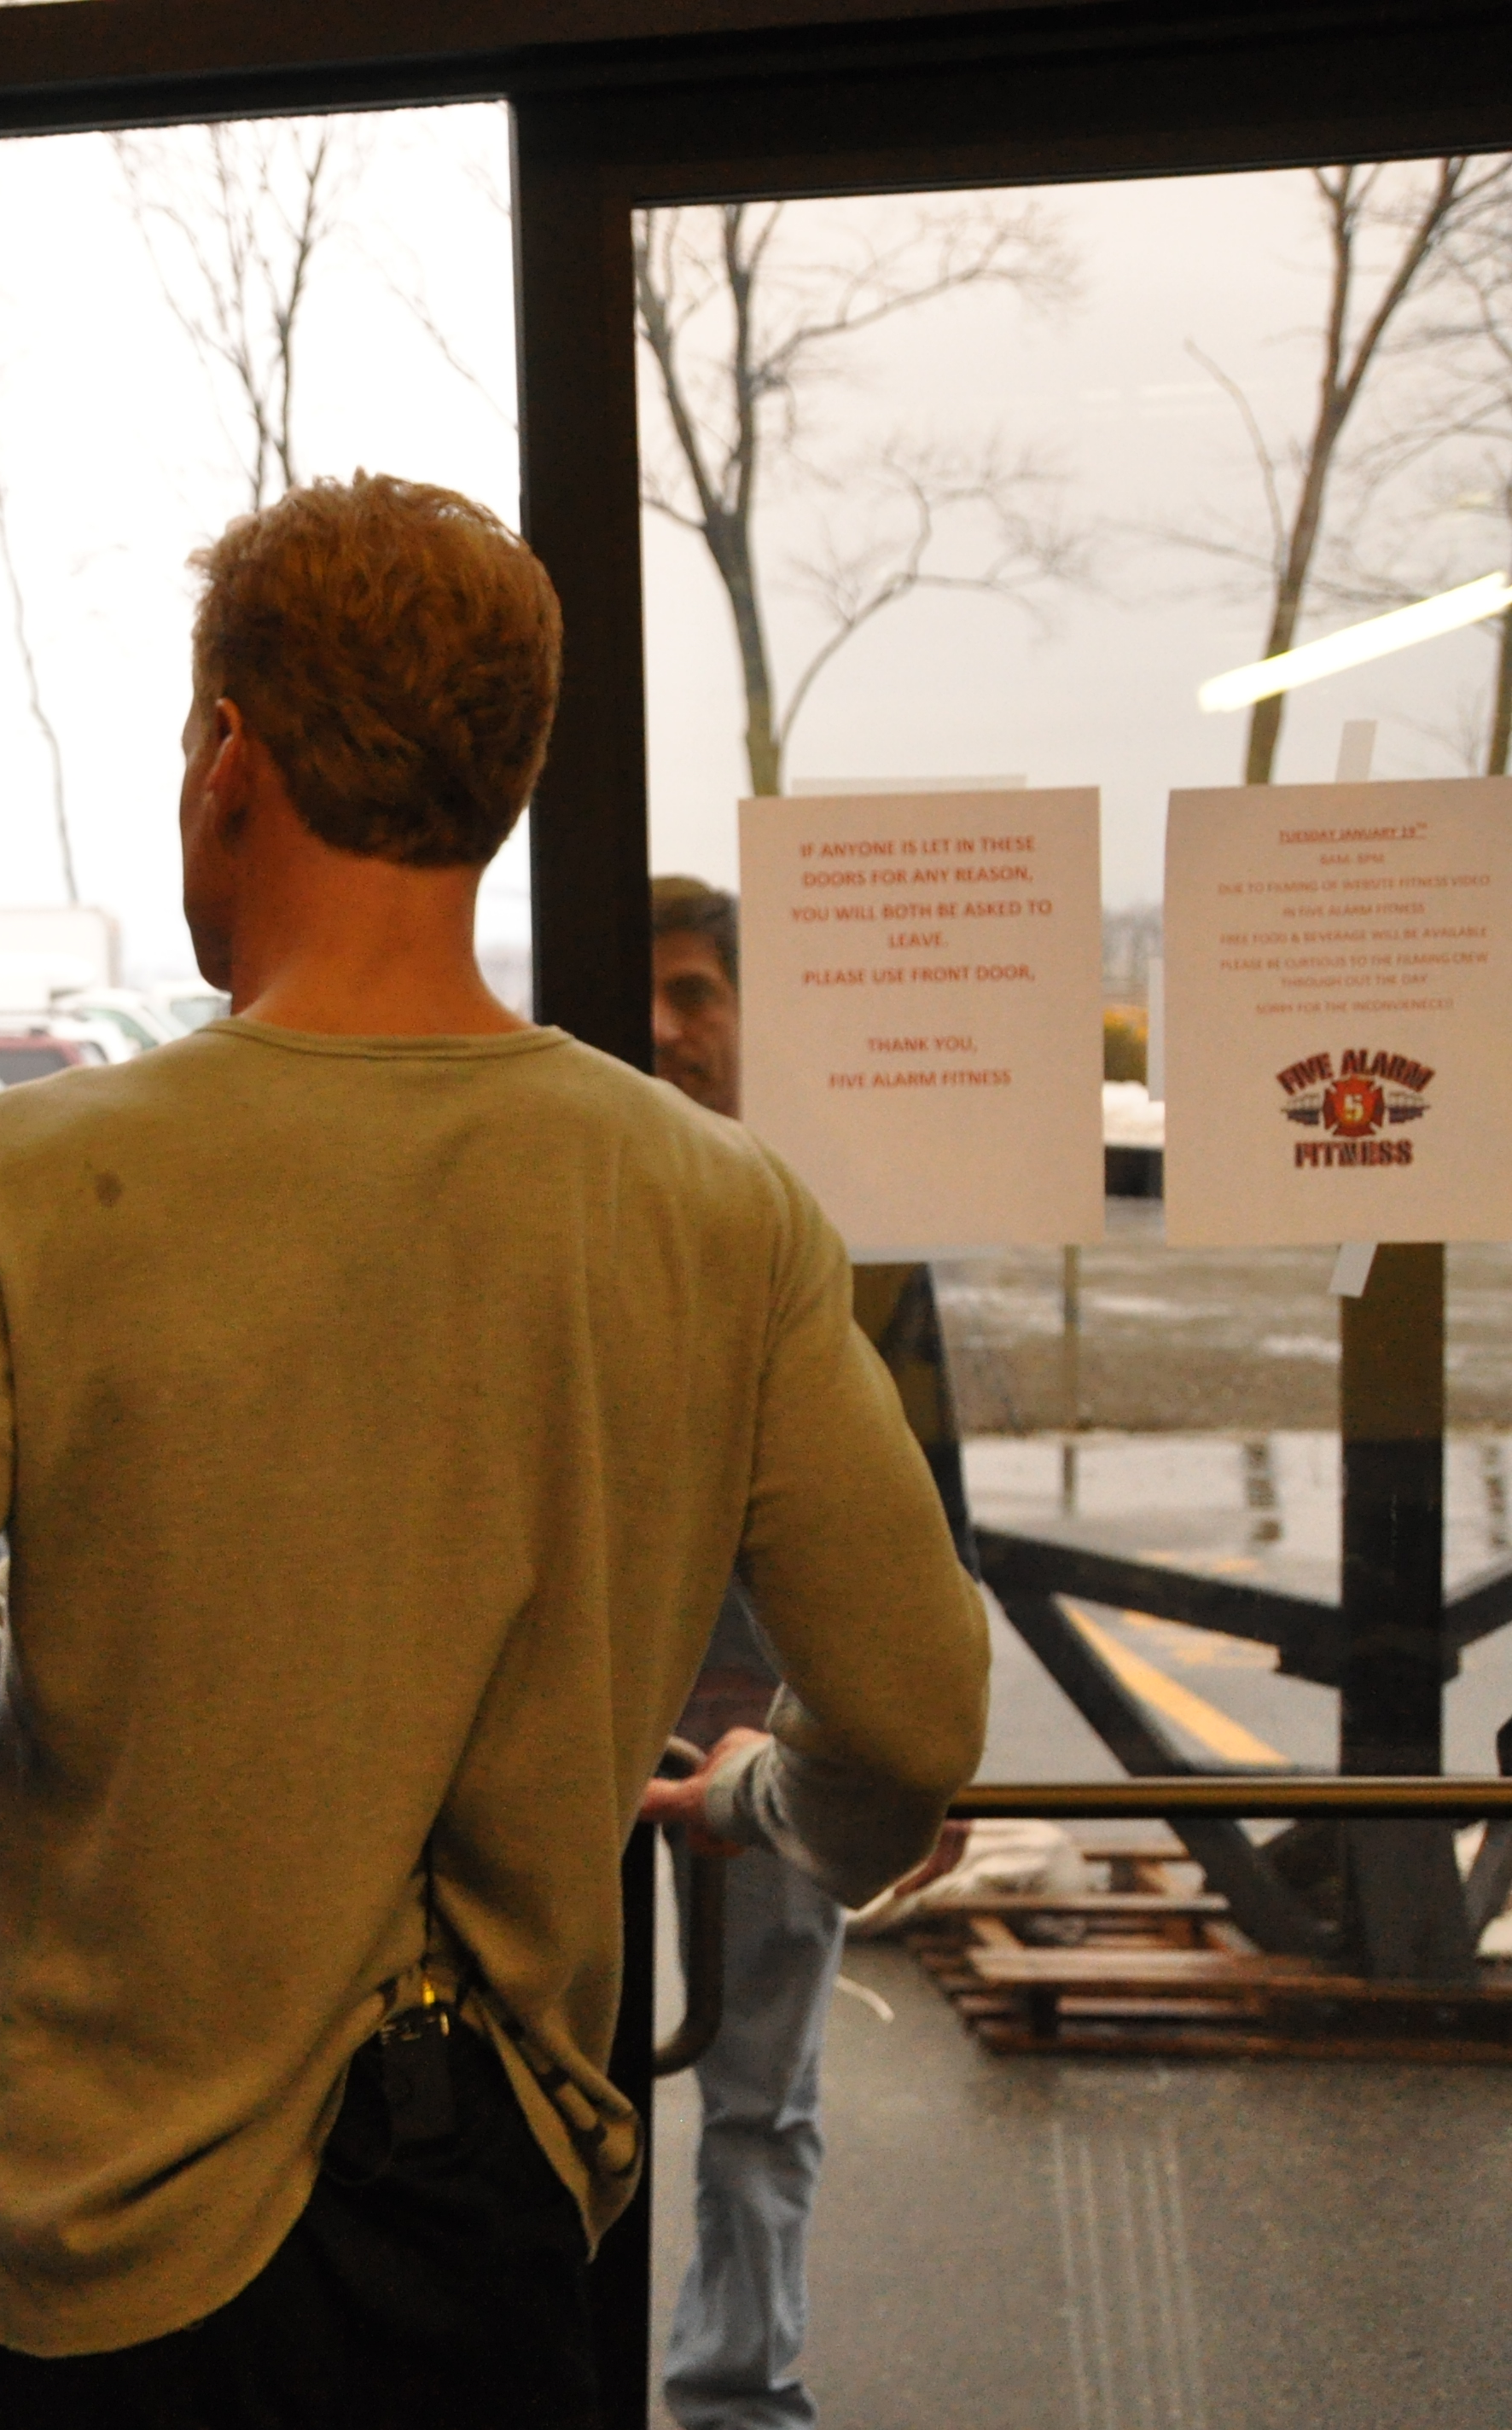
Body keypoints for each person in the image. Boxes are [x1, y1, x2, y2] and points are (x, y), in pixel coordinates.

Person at [0, 475, 989, 2427]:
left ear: (229, 758)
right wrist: (753, 1799)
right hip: (500, 2198)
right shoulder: (713, 1207)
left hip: (94, 2222)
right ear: (504, 774)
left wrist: (12, 1650)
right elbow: (906, 1717)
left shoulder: (29, 1182)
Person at [645, 872, 974, 2430]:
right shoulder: (569, 1197)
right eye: (638, 990)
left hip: (774, 1706)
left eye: (696, 993)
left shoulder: (841, 1223)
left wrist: (925, 1742)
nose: (665, 1027)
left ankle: (737, 2401)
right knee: (538, 2086)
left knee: (761, 2101)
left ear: (751, 1016)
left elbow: (917, 1473)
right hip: (575, 1700)